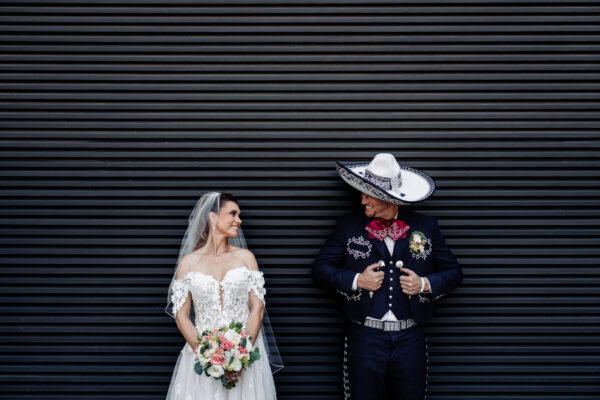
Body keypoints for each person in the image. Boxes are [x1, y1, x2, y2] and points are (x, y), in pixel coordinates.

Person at [312, 153, 463, 400]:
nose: (362, 200)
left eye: (368, 193)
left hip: (410, 338)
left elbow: (454, 273)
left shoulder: (426, 227)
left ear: (386, 197)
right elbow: (320, 270)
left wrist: (424, 284)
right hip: (365, 337)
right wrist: (356, 280)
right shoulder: (348, 226)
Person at [165, 191, 282, 400]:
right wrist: (206, 355)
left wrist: (242, 354)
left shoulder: (246, 258)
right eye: (233, 214)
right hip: (200, 356)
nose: (239, 220)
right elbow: (181, 315)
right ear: (213, 217)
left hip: (245, 355)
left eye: (239, 215)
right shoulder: (188, 263)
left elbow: (257, 308)